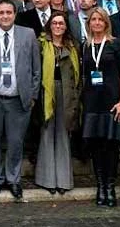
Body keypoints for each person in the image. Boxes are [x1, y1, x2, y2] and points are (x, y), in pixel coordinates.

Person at [0, 0, 41, 200]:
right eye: (1, 12)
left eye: (8, 12)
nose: (5, 16)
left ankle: (13, 179)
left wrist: (32, 95)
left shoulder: (28, 34)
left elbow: (36, 68)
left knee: (16, 142)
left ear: (15, 14)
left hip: (19, 99)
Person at [81, 7, 120, 208]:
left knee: (111, 147)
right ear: (89, 23)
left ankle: (110, 187)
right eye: (94, 19)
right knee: (96, 147)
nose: (97, 23)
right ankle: (100, 186)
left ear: (106, 23)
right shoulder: (85, 45)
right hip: (92, 102)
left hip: (112, 102)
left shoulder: (116, 44)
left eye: (100, 20)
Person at [35, 11, 81, 195]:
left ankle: (63, 179)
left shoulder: (72, 46)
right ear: (49, 25)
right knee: (47, 133)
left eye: (61, 23)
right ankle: (47, 179)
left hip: (67, 92)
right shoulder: (41, 44)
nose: (58, 26)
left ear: (66, 26)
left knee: (63, 134)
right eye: (54, 23)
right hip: (46, 91)